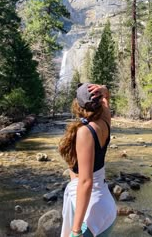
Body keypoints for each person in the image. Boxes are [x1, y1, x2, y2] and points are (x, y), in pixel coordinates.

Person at [59, 83, 117, 237]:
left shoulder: (85, 132)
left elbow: (86, 182)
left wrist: (76, 230)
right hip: (107, 208)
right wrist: (104, 90)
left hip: (91, 214)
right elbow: (106, 99)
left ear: (78, 105)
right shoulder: (104, 119)